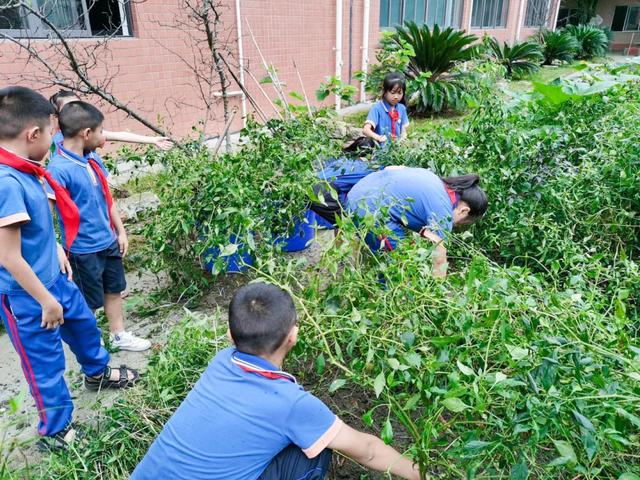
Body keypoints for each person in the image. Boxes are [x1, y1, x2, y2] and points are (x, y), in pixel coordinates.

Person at [132, 282, 422, 480]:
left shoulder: (221, 361)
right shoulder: (292, 405)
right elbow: (368, 451)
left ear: (230, 336)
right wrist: (423, 472)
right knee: (314, 453)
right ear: (293, 336)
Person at [0, 86, 138, 450]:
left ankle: (97, 372)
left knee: (84, 325)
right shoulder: (6, 182)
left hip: (53, 276)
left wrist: (57, 247)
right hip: (28, 295)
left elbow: (35, 225)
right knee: (44, 363)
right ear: (33, 134)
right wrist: (46, 300)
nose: (53, 139)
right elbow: (9, 256)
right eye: (50, 132)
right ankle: (55, 430)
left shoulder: (26, 168)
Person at [47, 101, 150, 351]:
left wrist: (121, 231)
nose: (103, 137)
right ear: (86, 133)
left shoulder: (92, 160)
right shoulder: (59, 169)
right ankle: (92, 343)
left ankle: (118, 334)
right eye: (100, 131)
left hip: (107, 240)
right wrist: (57, 247)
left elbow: (107, 198)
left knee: (114, 290)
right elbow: (46, 213)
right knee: (87, 301)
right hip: (82, 249)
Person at [346, 168, 487, 277]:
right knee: (399, 264)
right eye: (461, 224)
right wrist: (438, 297)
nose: (455, 226)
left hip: (359, 191)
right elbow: (439, 261)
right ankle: (386, 297)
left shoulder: (435, 181)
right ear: (464, 210)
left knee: (399, 251)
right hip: (368, 209)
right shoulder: (443, 211)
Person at [49, 90, 174, 152]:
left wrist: (152, 140)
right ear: (57, 115)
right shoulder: (59, 142)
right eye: (68, 107)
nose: (75, 110)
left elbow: (119, 135)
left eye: (78, 105)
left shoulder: (90, 131)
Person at [309, 136, 379, 227]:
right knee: (349, 226)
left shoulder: (343, 159)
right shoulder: (365, 168)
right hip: (323, 193)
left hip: (310, 186)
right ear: (372, 154)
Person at [362, 72, 409, 144]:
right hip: (380, 151)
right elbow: (366, 130)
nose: (396, 96)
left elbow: (403, 129)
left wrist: (403, 138)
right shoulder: (377, 108)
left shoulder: (401, 108)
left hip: (397, 150)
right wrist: (379, 138)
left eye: (399, 93)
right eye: (393, 93)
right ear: (384, 91)